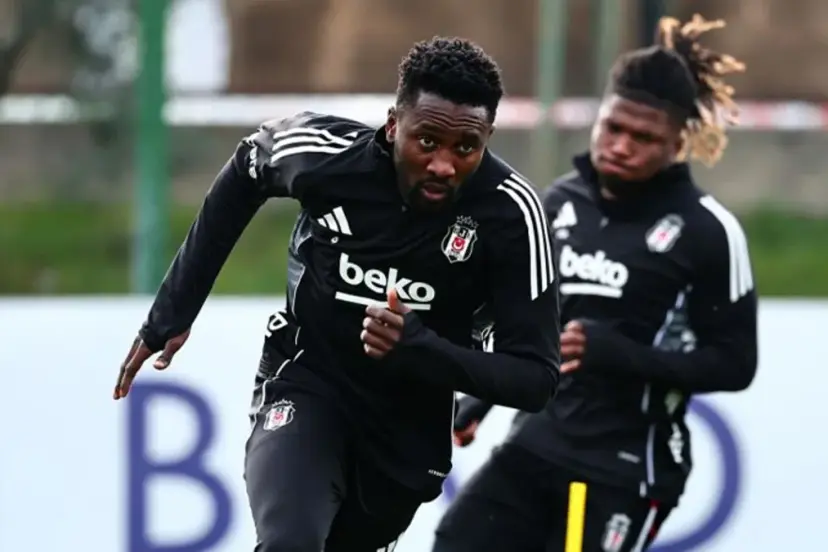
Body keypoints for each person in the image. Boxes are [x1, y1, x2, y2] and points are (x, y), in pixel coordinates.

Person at [113, 36, 561, 551]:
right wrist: (174, 311)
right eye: (426, 141)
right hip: (307, 379)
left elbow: (536, 378)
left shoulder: (512, 213)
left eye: (466, 148)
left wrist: (421, 349)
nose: (443, 164)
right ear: (393, 126)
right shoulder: (326, 156)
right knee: (291, 542)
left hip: (406, 428)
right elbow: (247, 167)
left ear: (487, 138)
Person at [433, 14, 757, 552]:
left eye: (643, 137)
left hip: (621, 467)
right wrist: (480, 401)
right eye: (613, 127)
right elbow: (528, 321)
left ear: (678, 142)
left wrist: (618, 354)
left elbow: (735, 364)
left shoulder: (708, 232)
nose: (621, 145)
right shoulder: (559, 203)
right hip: (536, 442)